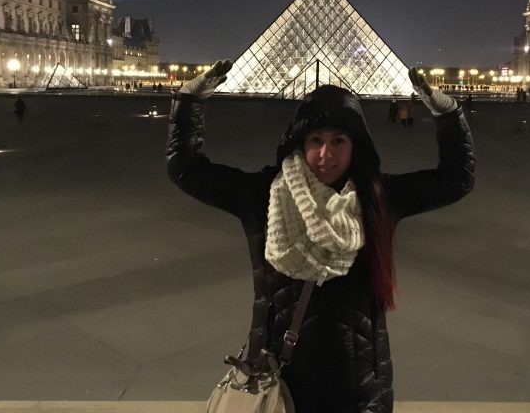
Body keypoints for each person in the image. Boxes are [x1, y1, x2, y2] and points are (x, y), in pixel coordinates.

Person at [166, 61, 475, 412]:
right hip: (280, 378)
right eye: (316, 140)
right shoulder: (263, 193)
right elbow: (186, 168)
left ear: (354, 146)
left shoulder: (377, 198)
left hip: (359, 383)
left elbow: (456, 179)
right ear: (299, 142)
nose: (326, 154)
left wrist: (448, 114)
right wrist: (189, 102)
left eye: (338, 141)